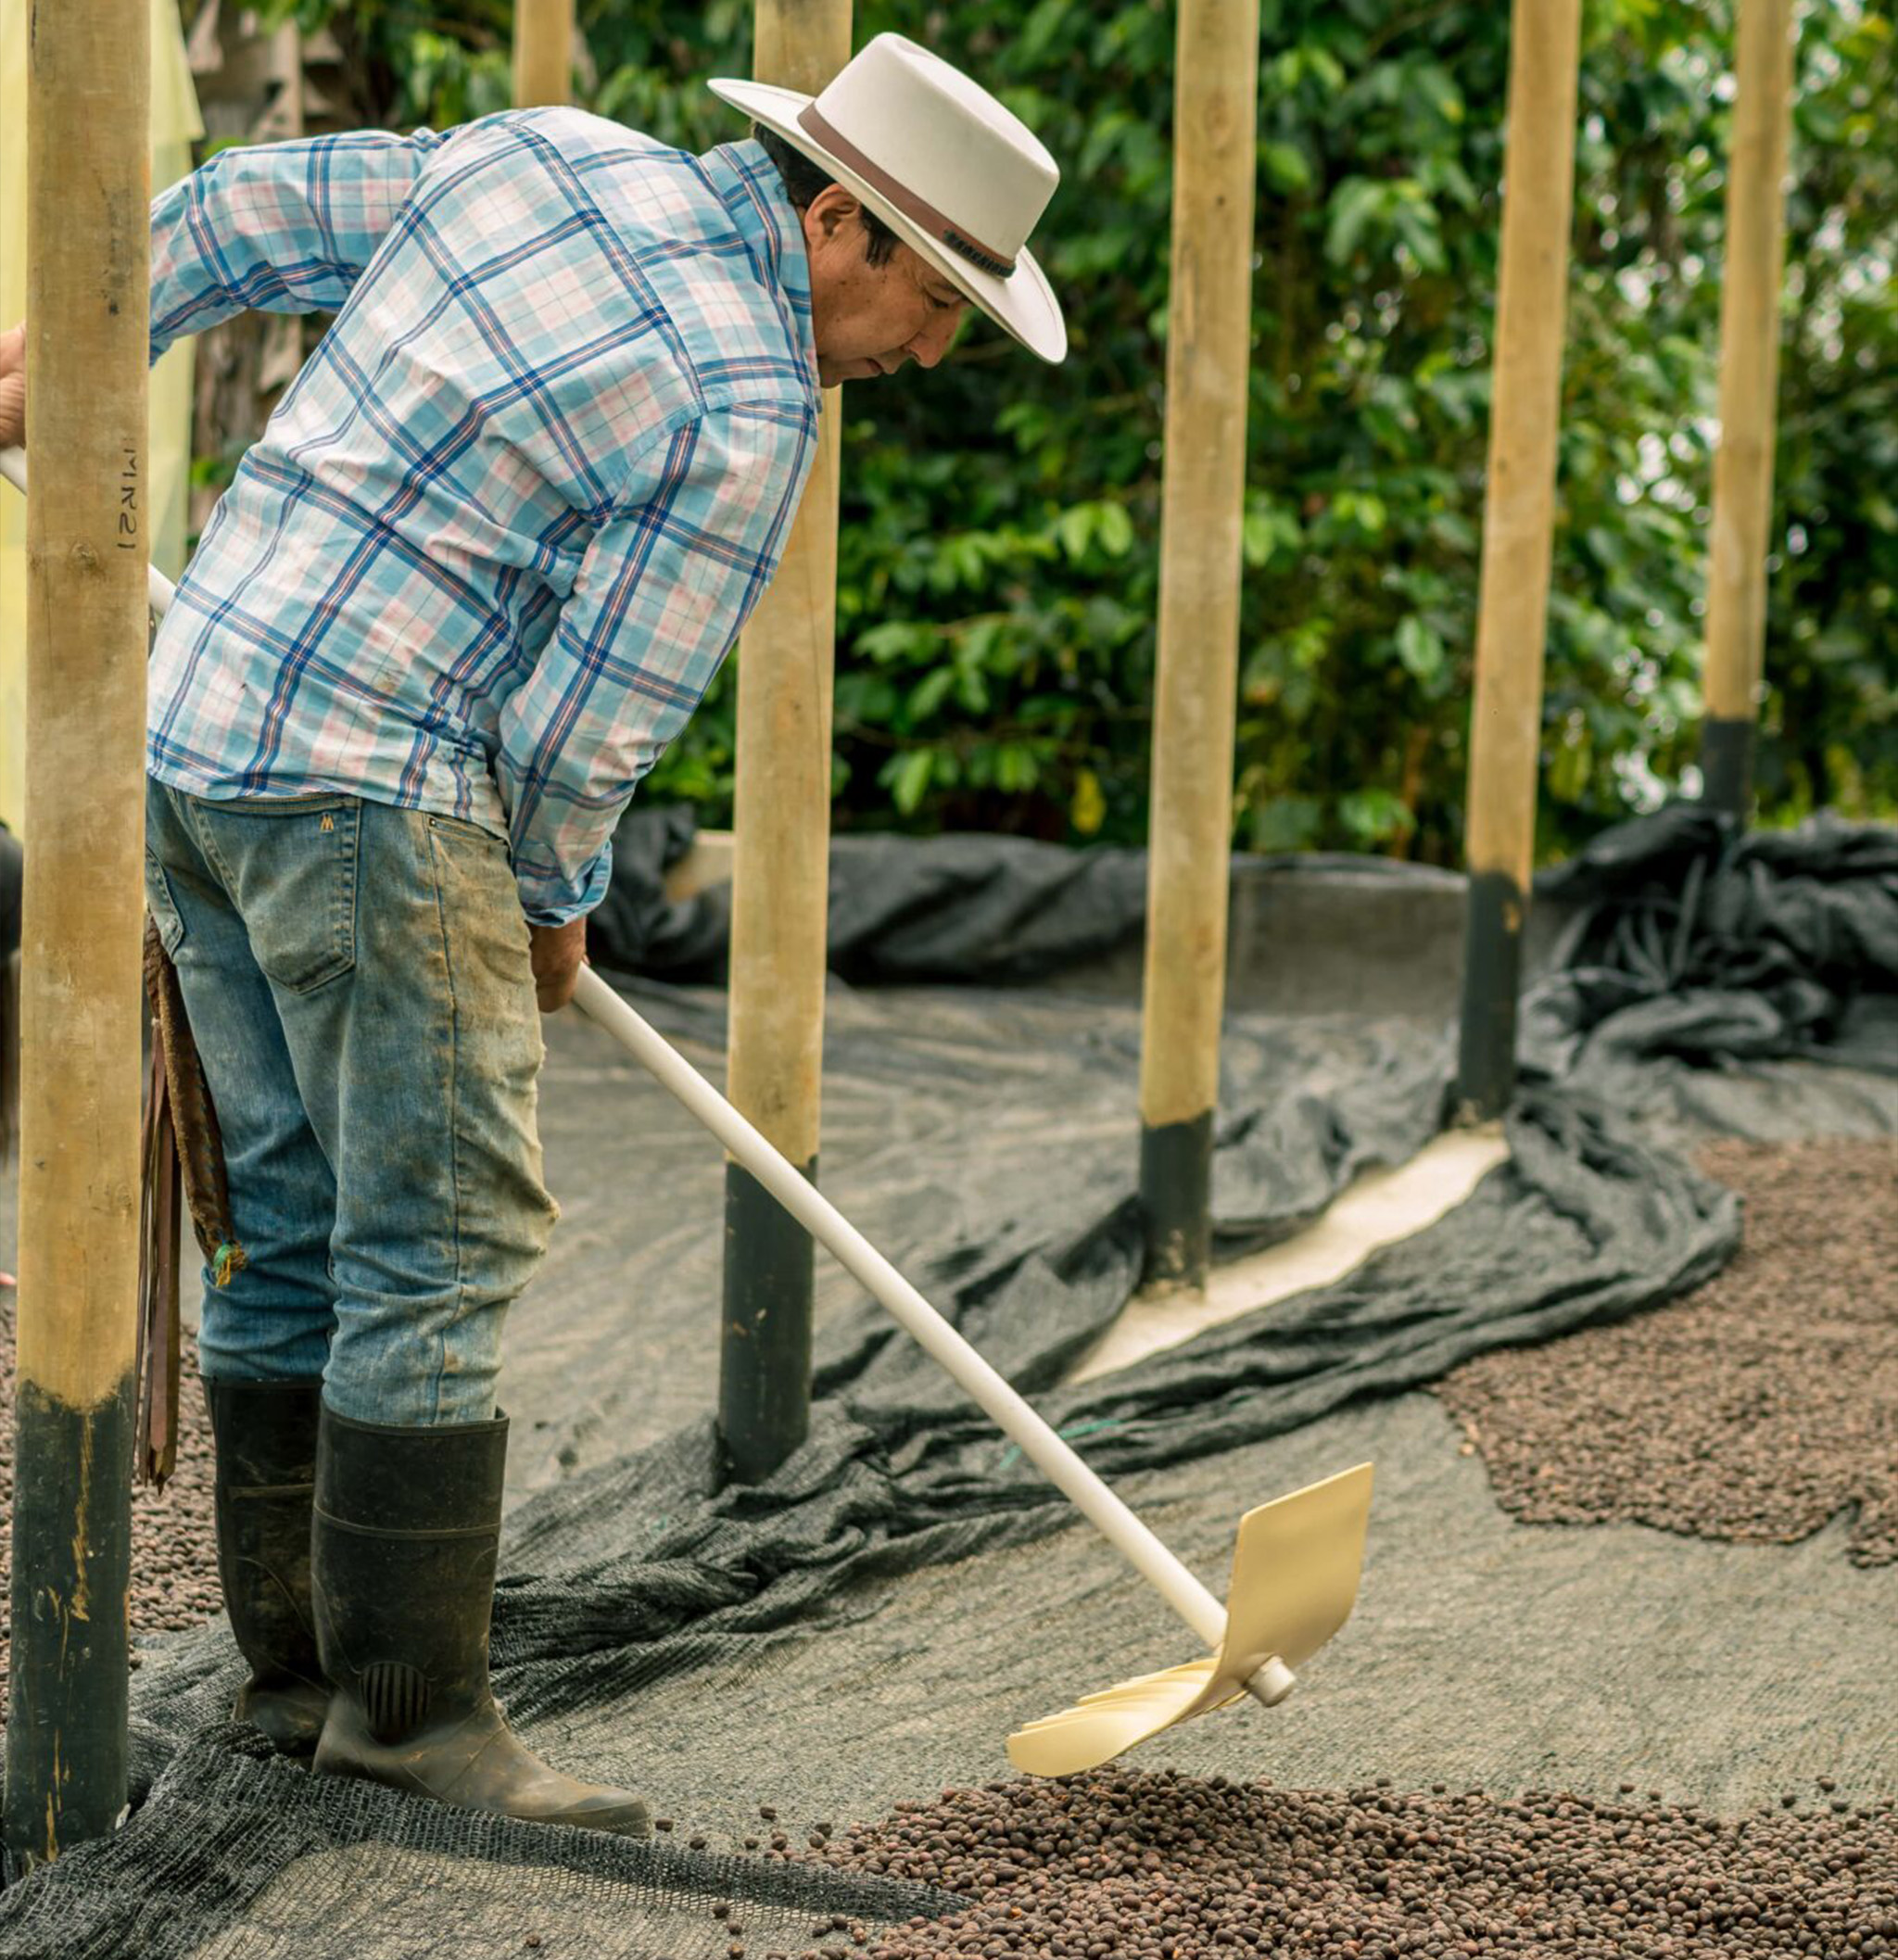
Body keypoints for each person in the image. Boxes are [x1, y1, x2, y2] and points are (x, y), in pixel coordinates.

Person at [0, 32, 1064, 1836]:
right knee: (439, 1227)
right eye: (939, 298)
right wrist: (555, 906)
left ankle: (294, 1679)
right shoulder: (747, 404)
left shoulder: (544, 156)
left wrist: (57, 358)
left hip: (201, 743)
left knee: (277, 1210)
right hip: (372, 797)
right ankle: (413, 1711)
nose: (933, 348)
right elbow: (585, 728)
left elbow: (246, 214)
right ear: (837, 224)